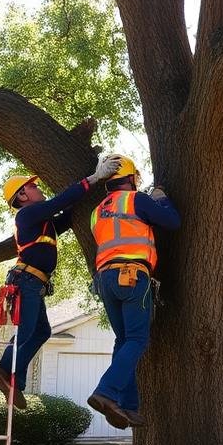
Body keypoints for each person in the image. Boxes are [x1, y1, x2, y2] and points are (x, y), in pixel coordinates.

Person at [0, 156, 122, 409]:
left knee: (41, 331)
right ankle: (4, 369)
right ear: (23, 196)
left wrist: (99, 196)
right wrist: (94, 177)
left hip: (34, 283)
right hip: (25, 281)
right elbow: (60, 202)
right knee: (28, 331)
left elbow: (68, 215)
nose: (38, 188)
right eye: (32, 187)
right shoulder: (27, 215)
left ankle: (13, 379)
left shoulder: (43, 223)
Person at [86, 155, 180, 429]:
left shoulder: (96, 212)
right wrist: (160, 198)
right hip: (131, 276)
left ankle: (126, 404)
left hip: (105, 280)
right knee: (138, 339)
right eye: (135, 178)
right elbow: (172, 222)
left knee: (123, 339)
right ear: (129, 178)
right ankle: (105, 392)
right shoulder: (135, 200)